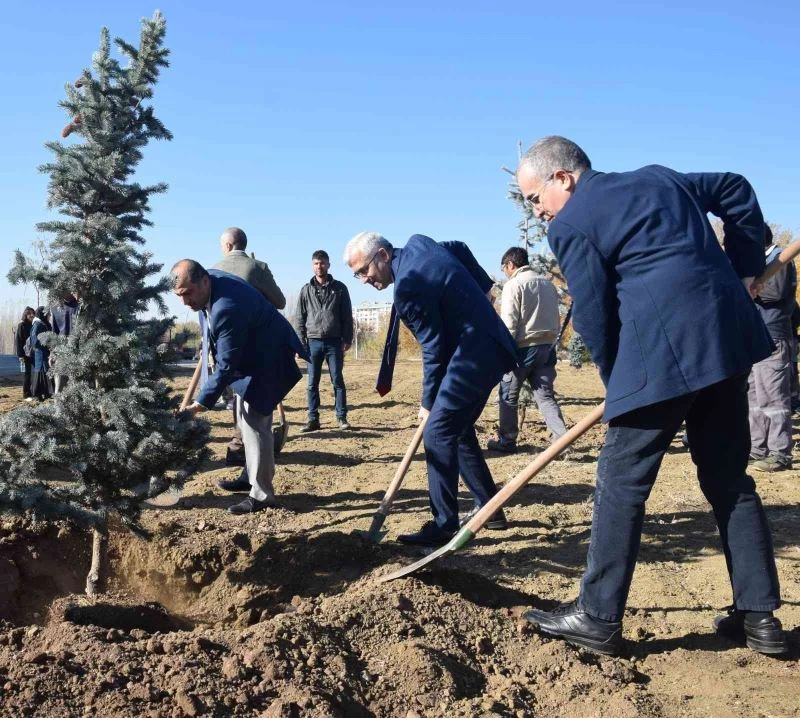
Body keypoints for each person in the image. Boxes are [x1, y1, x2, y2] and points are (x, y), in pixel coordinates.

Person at [516, 136, 786, 656]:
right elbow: (734, 186)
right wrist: (744, 265)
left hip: (663, 354)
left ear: (562, 178)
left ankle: (596, 617)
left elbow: (595, 319)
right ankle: (760, 619)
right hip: (724, 342)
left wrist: (622, 385)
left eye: (535, 198)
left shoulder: (570, 225)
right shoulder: (658, 176)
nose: (538, 210)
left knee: (620, 482)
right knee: (729, 478)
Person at [343, 232, 517, 547]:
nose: (363, 280)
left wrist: (427, 404)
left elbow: (433, 350)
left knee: (436, 432)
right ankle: (491, 510)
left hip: (474, 355)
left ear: (383, 255)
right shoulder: (419, 244)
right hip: (490, 346)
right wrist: (484, 289)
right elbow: (460, 247)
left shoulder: (407, 288)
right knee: (457, 430)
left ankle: (443, 525)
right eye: (356, 275)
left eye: (364, 270)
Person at [171, 260, 306, 515]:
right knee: (243, 419)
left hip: (268, 359)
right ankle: (249, 475)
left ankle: (262, 494)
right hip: (252, 354)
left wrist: (199, 404)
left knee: (255, 422)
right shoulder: (207, 285)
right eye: (179, 296)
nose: (185, 302)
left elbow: (225, 365)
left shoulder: (227, 307)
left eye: (188, 294)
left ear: (204, 282)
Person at [212, 226, 287, 476]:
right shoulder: (257, 267)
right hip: (255, 345)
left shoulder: (213, 269)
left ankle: (240, 451)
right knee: (255, 406)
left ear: (227, 246)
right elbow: (280, 302)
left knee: (237, 397)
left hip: (223, 343)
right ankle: (247, 456)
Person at [488, 246, 567, 453]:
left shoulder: (514, 285)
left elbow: (509, 323)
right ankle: (561, 442)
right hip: (547, 348)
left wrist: (503, 352)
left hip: (523, 349)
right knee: (545, 397)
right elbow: (556, 319)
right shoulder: (547, 284)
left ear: (510, 265)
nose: (504, 272)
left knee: (507, 396)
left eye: (504, 267)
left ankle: (507, 441)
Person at [748, 226, 797, 472]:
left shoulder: (778, 261)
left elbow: (775, 292)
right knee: (755, 397)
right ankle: (758, 450)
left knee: (774, 398)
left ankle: (779, 453)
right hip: (757, 338)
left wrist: (747, 287)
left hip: (773, 337)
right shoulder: (765, 262)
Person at [295, 250, 353, 431]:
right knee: (312, 383)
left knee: (338, 380)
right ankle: (313, 419)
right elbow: (300, 319)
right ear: (312, 266)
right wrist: (300, 344)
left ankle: (341, 417)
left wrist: (347, 338)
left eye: (322, 263)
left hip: (334, 342)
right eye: (316, 263)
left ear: (328, 264)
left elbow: (346, 316)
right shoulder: (306, 290)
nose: (319, 266)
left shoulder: (340, 288)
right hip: (313, 343)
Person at [50, 293, 80, 393]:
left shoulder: (81, 306)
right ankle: (58, 406)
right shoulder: (55, 308)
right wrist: (52, 353)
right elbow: (54, 333)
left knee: (77, 383)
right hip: (61, 350)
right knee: (59, 385)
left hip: (79, 349)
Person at [29, 307, 52, 401]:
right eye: (48, 314)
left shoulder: (42, 324)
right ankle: (38, 394)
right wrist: (44, 345)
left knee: (44, 372)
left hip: (43, 352)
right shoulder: (38, 324)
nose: (49, 316)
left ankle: (45, 393)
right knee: (41, 372)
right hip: (40, 353)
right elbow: (34, 340)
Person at [14, 307, 35, 401]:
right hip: (25, 354)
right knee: (27, 374)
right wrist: (20, 355)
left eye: (33, 313)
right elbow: (18, 341)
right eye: (29, 313)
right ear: (25, 315)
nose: (31, 315)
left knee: (35, 374)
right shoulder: (21, 325)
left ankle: (34, 391)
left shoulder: (34, 325)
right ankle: (26, 394)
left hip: (34, 353)